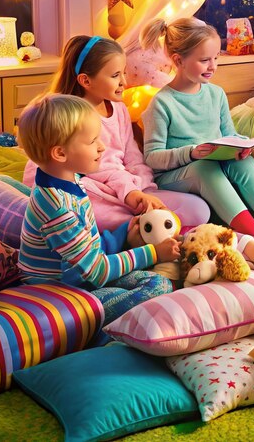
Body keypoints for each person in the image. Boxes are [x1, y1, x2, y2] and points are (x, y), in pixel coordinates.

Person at [16, 93, 181, 324]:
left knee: (155, 278)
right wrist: (154, 252)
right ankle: (95, 333)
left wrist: (124, 233)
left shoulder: (68, 179)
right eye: (93, 141)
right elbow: (98, 271)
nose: (102, 147)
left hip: (79, 276)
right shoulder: (56, 208)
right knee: (157, 286)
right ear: (60, 153)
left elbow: (90, 244)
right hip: (60, 294)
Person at [23, 35, 211, 233]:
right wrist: (129, 192)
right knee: (100, 217)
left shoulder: (119, 109)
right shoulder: (71, 116)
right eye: (115, 76)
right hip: (95, 191)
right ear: (86, 80)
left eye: (124, 73)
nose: (124, 81)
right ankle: (135, 230)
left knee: (199, 211)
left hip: (126, 187)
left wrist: (143, 190)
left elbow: (132, 155)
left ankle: (143, 226)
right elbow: (92, 169)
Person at [140, 17, 254, 242]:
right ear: (178, 60)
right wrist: (191, 152)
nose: (213, 66)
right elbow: (152, 158)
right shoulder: (162, 103)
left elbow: (228, 133)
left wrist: (240, 146)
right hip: (175, 175)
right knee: (205, 169)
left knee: (245, 162)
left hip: (211, 162)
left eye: (216, 58)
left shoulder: (216, 93)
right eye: (204, 60)